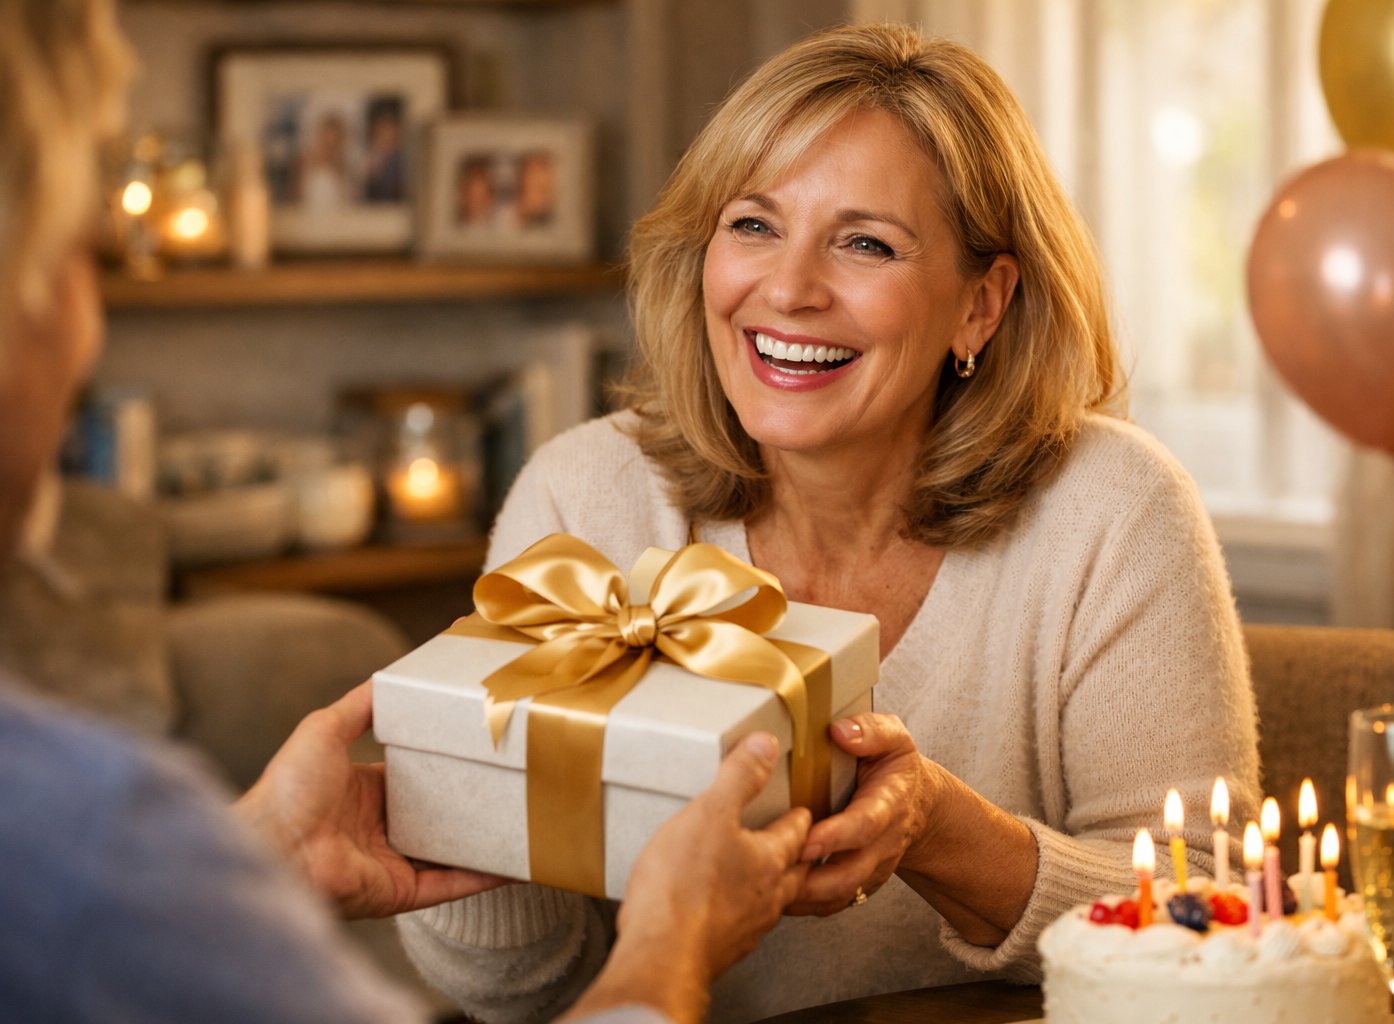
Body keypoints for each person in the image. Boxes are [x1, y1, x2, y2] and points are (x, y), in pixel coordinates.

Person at [399, 22, 1262, 1023]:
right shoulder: (587, 495)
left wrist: (936, 830)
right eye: (754, 225)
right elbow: (520, 992)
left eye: (865, 244)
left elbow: (1209, 921)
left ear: (980, 306)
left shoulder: (1111, 509)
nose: (791, 290)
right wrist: (456, 796)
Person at [0, 3, 810, 1022]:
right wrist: (671, 940)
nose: (89, 323)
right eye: (78, 252)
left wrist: (248, 857)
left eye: (867, 242)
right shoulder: (83, 837)